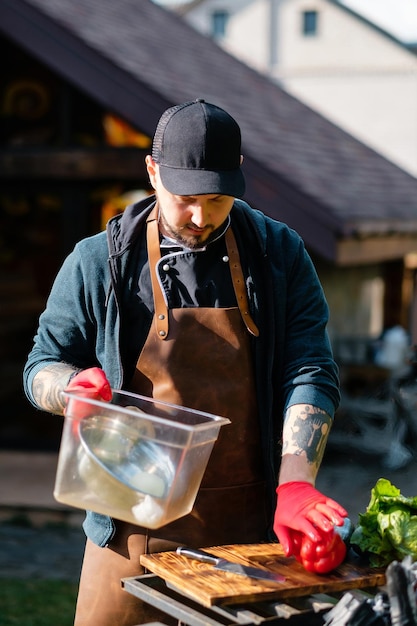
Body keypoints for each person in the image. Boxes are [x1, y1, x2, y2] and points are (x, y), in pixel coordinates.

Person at [23, 98, 347, 625]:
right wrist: (69, 388)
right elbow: (40, 366)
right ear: (152, 173)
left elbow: (309, 369)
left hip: (251, 531)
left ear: (239, 177)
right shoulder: (97, 262)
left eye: (216, 199)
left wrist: (294, 483)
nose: (200, 217)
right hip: (128, 530)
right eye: (186, 198)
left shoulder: (280, 255)